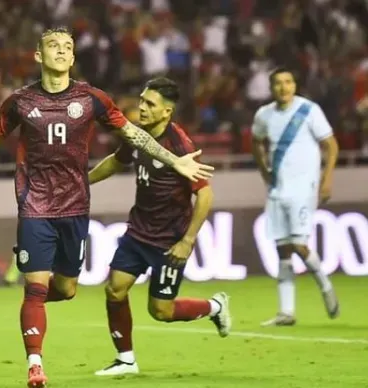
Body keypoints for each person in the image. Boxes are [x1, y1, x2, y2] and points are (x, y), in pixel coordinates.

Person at [0, 27, 214, 388]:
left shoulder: (92, 99)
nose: (61, 51)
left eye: (67, 47)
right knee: (36, 287)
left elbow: (133, 135)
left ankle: (33, 304)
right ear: (39, 55)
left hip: (74, 208)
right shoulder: (20, 102)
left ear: (73, 58)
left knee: (67, 288)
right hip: (34, 204)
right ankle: (35, 365)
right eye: (53, 46)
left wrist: (174, 160)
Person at [85, 77, 231, 376]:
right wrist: (82, 183)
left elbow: (204, 194)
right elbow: (116, 161)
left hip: (168, 240)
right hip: (138, 232)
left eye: (150, 104)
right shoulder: (136, 135)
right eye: (141, 100)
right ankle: (126, 359)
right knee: (115, 290)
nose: (142, 107)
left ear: (167, 111)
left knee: (161, 311)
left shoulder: (180, 146)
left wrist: (188, 240)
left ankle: (214, 306)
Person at [251, 67, 340, 326]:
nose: (283, 87)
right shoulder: (264, 115)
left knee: (299, 245)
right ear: (271, 87)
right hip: (278, 188)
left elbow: (331, 145)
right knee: (282, 248)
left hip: (304, 187)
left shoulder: (308, 110)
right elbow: (256, 141)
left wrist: (327, 178)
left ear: (295, 84)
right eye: (278, 83)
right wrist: (264, 170)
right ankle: (286, 312)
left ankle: (325, 285)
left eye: (288, 82)